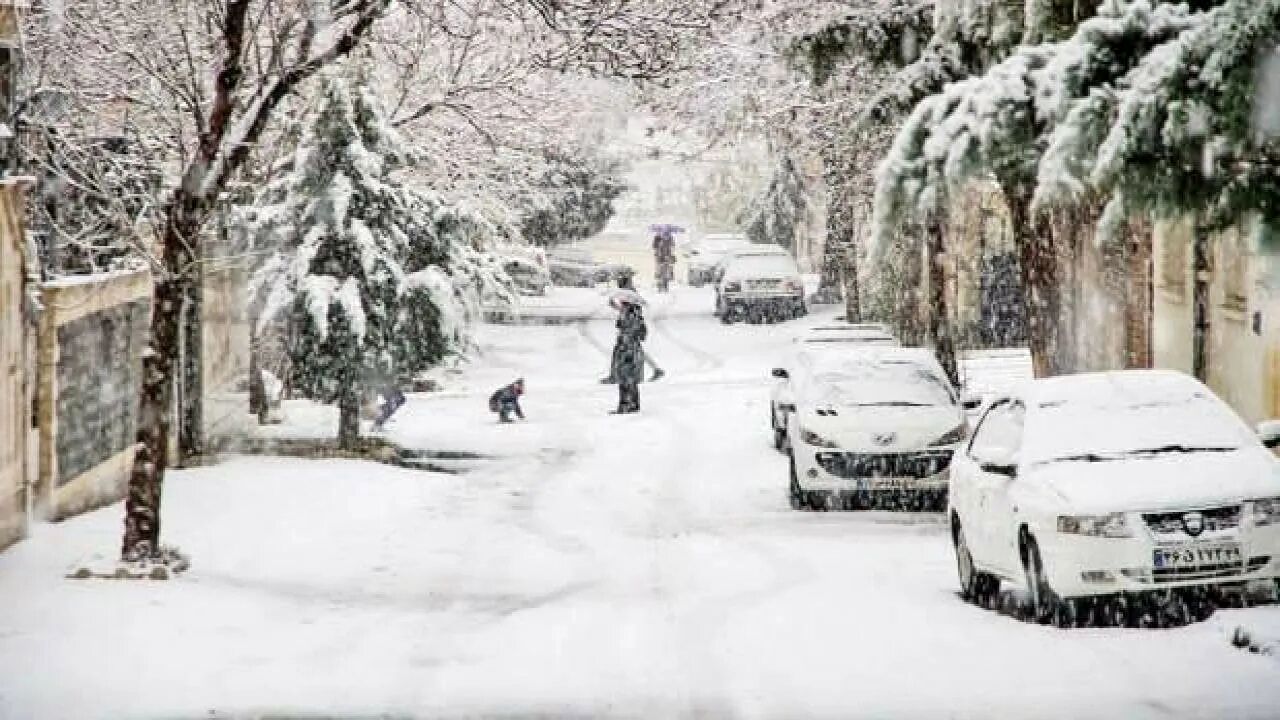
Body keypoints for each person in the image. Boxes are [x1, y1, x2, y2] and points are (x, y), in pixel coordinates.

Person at [599, 270, 665, 383]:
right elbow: (625, 310)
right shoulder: (626, 295)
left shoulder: (631, 295)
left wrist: (629, 328)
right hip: (630, 328)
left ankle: (616, 376)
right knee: (632, 351)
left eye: (620, 282)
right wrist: (614, 305)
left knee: (622, 352)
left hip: (631, 329)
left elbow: (633, 312)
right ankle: (654, 370)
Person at [610, 296, 647, 414]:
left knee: (625, 378)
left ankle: (626, 405)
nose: (621, 305)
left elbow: (627, 331)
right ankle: (634, 404)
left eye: (623, 304)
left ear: (628, 305)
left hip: (627, 350)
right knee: (631, 379)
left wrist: (625, 338)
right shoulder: (637, 315)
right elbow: (643, 335)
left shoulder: (629, 316)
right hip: (633, 349)